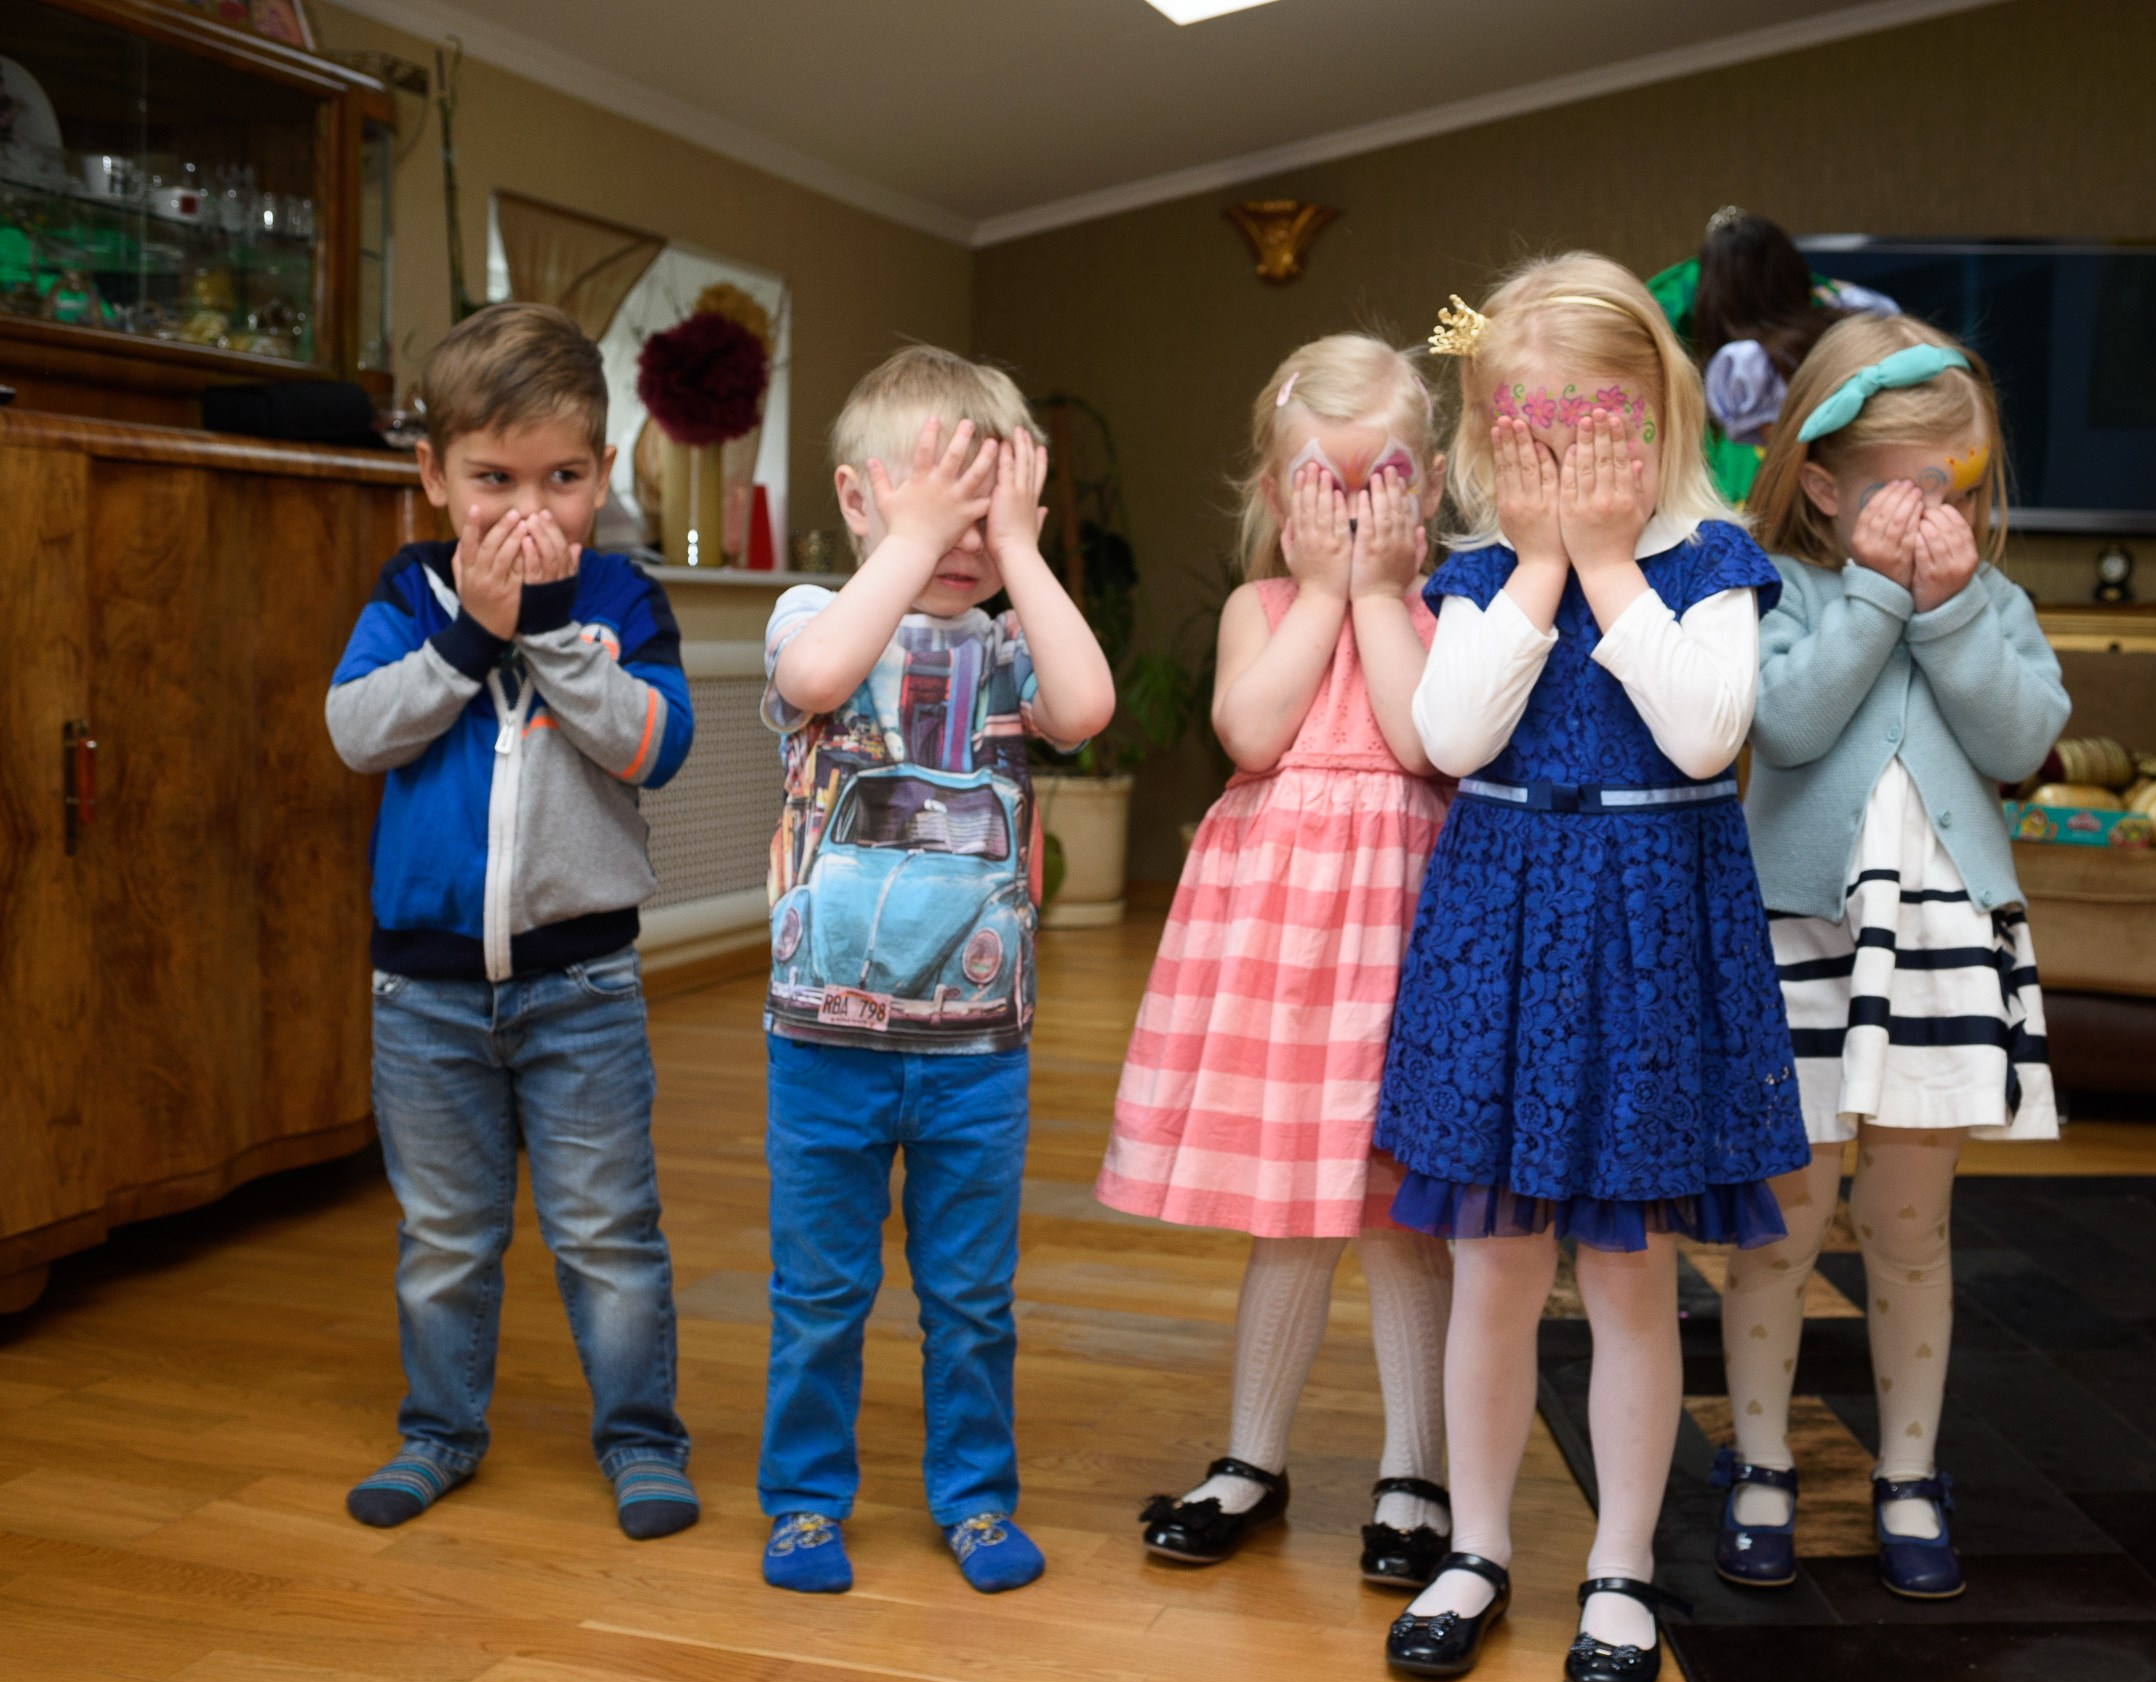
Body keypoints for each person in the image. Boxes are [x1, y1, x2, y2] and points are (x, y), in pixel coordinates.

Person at [1373, 255, 1808, 1682]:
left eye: (1590, 431)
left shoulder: (1717, 557)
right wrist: (1546, 564)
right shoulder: (1485, 573)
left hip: (1647, 932)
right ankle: (1478, 1545)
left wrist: (1612, 561)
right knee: (1493, 1265)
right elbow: (1447, 735)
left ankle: (1620, 1560)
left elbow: (1701, 737)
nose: (1560, 462)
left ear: (1659, 411)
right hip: (1502, 924)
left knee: (1628, 1270)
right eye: (1530, 434)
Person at [325, 302, 699, 1540]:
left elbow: (656, 744)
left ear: (602, 474)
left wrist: (550, 639)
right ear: (434, 476)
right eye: (492, 478)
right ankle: (439, 1429)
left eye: (563, 475)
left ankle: (642, 1440)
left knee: (606, 1233)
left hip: (579, 987)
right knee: (444, 1235)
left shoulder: (620, 600)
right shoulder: (406, 594)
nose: (527, 506)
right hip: (422, 994)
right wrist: (467, 635)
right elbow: (356, 731)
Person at [1097, 335, 1457, 1587]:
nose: (1352, 518)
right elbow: (1251, 732)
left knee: (1407, 1215)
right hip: (1287, 947)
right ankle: (1253, 1455)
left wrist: (1371, 594)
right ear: (1272, 492)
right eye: (1323, 489)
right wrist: (1316, 593)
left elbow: (1420, 744)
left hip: (1405, 937)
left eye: (1379, 487)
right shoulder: (1262, 609)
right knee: (1291, 1213)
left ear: (1432, 486)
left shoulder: (1442, 610)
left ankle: (1418, 1467)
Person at [755, 346, 1114, 1597]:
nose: (956, 536)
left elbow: (1084, 707)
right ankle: (804, 1501)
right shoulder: (815, 615)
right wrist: (905, 545)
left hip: (975, 1051)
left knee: (970, 1297)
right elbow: (813, 681)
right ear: (859, 500)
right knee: (821, 1292)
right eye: (931, 503)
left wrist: (1019, 549)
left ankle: (972, 1496)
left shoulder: (1014, 645)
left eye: (983, 505)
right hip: (821, 1038)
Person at [1721, 314, 2068, 1601]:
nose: (1933, 510)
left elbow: (2019, 738)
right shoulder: (1771, 591)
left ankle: (1909, 1470)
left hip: (1938, 952)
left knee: (1909, 1227)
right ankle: (1758, 1461)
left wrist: (1951, 605)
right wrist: (1875, 594)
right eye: (1903, 485)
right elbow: (1790, 726)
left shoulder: (1994, 602)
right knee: (1782, 1227)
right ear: (1821, 484)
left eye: (1956, 484)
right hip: (1798, 944)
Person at [1647, 206, 1898, 505]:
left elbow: (1778, 458)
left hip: (1774, 503)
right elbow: (1884, 311)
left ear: (1712, 288)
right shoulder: (1847, 325)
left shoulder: (1743, 365)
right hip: (1864, 481)